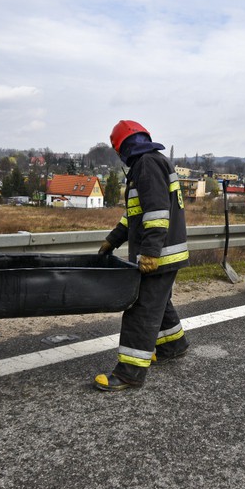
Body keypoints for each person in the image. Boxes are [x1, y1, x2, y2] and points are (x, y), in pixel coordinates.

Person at [94, 120, 190, 391]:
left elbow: (157, 212)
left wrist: (149, 253)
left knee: (141, 309)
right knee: (159, 302)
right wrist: (112, 240)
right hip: (167, 253)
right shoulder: (150, 163)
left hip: (160, 255)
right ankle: (173, 345)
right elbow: (135, 215)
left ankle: (128, 373)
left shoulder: (146, 165)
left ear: (122, 147)